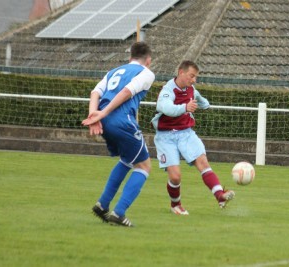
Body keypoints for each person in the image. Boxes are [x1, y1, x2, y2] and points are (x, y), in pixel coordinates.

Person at [82, 42, 155, 227]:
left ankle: (102, 205)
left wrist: (94, 115)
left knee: (127, 160)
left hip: (105, 122)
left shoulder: (114, 71)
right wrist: (104, 113)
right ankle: (119, 213)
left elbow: (95, 93)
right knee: (144, 166)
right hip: (121, 120)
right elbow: (126, 91)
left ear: (130, 57)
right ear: (148, 60)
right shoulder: (146, 73)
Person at [151, 60, 235, 215]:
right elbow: (166, 108)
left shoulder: (191, 89)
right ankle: (175, 205)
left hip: (186, 133)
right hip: (166, 136)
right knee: (175, 177)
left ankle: (220, 196)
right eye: (192, 76)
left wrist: (205, 104)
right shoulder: (167, 90)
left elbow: (201, 100)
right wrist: (185, 107)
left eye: (195, 77)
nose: (194, 80)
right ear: (181, 72)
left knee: (203, 162)